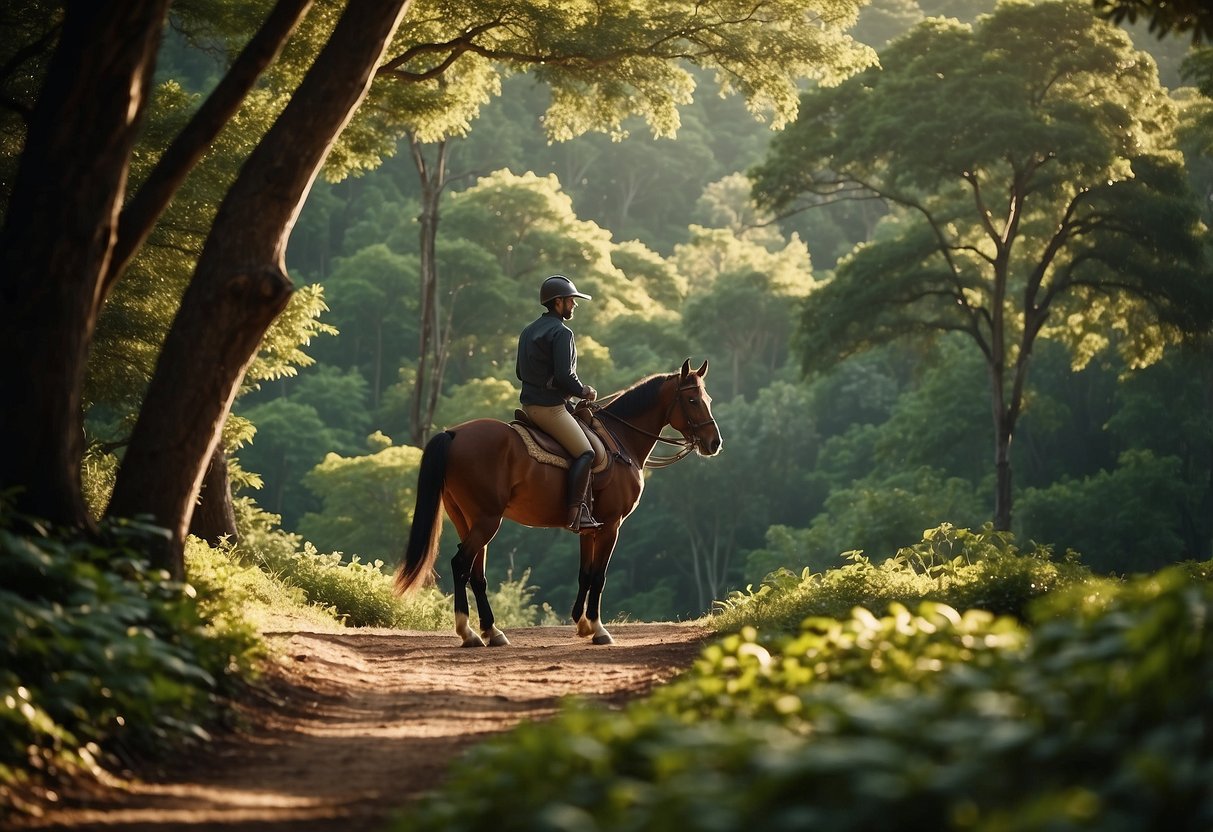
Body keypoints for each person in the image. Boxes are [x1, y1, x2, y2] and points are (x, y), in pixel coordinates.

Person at [516, 274, 603, 533]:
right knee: (586, 452)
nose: (574, 305)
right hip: (549, 409)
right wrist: (583, 391)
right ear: (558, 303)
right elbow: (565, 376)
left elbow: (520, 372)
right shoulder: (562, 332)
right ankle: (576, 513)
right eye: (571, 300)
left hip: (528, 406)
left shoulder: (528, 330)